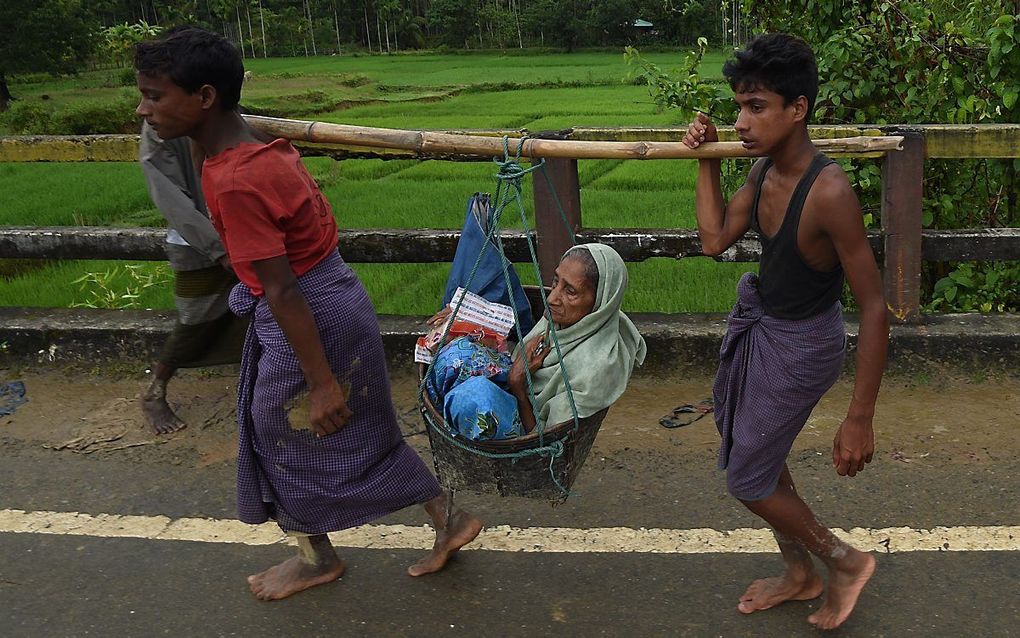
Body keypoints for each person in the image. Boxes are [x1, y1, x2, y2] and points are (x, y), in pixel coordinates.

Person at [134, 26, 481, 601]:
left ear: (204, 98)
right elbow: (210, 149)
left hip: (308, 312)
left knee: (275, 430)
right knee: (354, 425)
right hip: (334, 297)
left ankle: (317, 557)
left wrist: (321, 384)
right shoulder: (242, 145)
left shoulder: (239, 179)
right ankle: (448, 518)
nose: (143, 110)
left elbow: (281, 289)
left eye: (154, 96)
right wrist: (193, 125)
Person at [682, 33, 888, 630]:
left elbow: (873, 307)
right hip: (766, 328)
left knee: (748, 476)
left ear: (797, 109)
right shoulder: (764, 169)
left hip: (804, 347)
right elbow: (715, 239)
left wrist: (860, 415)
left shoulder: (829, 192)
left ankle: (843, 562)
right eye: (739, 108)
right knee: (759, 456)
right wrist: (705, 160)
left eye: (757, 107)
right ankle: (798, 573)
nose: (742, 121)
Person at [425, 244, 646, 439]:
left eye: (570, 291)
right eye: (556, 281)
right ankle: (447, 407)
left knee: (472, 399)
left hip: (526, 426)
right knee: (456, 353)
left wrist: (518, 385)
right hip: (514, 382)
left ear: (599, 304)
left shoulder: (595, 371)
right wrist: (463, 317)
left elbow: (544, 437)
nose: (551, 298)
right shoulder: (565, 324)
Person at [138, 119, 244, 435]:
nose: (145, 106)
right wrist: (218, 248)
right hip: (197, 241)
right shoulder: (159, 125)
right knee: (195, 322)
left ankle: (267, 393)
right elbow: (172, 198)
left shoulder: (228, 108)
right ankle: (154, 391)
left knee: (266, 313)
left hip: (245, 231)